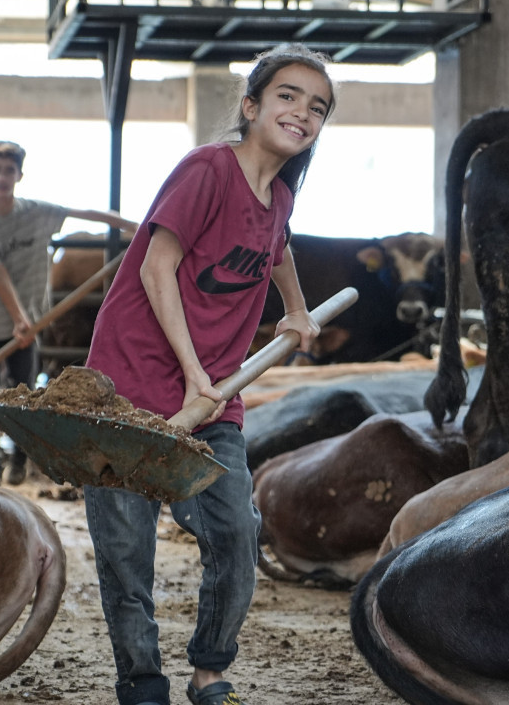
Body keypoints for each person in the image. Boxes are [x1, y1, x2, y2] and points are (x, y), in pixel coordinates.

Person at [82, 43, 336, 705]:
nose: (302, 113)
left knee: (235, 532)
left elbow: (277, 247)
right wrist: (194, 373)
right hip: (130, 391)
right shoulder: (207, 170)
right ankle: (142, 681)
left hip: (215, 399)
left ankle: (209, 670)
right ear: (250, 106)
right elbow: (154, 267)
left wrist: (296, 308)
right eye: (287, 96)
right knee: (126, 553)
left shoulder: (279, 196)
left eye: (317, 107)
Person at [0, 140, 139, 485]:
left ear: (19, 175)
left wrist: (138, 225)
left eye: (9, 171)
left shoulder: (37, 213)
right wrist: (19, 319)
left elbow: (88, 214)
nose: (2, 177)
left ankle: (18, 463)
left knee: (25, 394)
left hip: (30, 324)